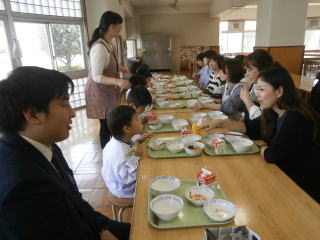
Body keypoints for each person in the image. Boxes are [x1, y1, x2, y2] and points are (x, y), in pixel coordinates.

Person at [0, 66, 130, 240]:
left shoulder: (45, 144)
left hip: (88, 224)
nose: (72, 113)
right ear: (33, 115)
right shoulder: (23, 186)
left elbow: (75, 201)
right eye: (64, 103)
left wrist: (102, 228)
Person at [253, 66, 319, 202]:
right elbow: (255, 130)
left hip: (305, 188)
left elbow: (271, 155)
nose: (257, 94)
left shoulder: (295, 117)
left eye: (261, 89)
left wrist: (262, 146)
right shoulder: (274, 112)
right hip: (288, 175)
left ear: (279, 91)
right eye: (257, 89)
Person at [85, 11, 131, 149]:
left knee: (110, 122)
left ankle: (115, 149)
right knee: (106, 124)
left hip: (107, 90)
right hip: (99, 91)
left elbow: (108, 64)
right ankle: (107, 153)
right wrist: (117, 81)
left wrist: (120, 68)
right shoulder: (99, 47)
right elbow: (97, 76)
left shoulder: (109, 43)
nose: (120, 29)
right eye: (119, 25)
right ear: (112, 26)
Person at [101, 105, 150, 199]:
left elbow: (128, 148)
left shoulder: (120, 140)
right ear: (127, 128)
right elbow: (127, 178)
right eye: (136, 119)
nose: (140, 120)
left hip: (118, 182)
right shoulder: (119, 153)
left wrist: (138, 141)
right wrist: (136, 158)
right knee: (153, 174)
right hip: (125, 189)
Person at [240, 49, 274, 120]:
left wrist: (246, 99)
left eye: (249, 70)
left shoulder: (270, 89)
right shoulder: (255, 84)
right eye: (246, 70)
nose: (246, 74)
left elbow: (261, 120)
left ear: (262, 69)